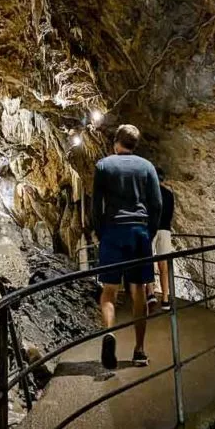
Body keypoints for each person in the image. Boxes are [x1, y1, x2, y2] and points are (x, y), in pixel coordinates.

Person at [92, 124, 162, 369]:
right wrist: (149, 232)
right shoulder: (147, 167)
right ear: (135, 144)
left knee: (109, 290)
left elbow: (96, 205)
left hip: (113, 231)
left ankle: (109, 332)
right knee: (139, 291)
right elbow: (156, 204)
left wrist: (101, 232)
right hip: (139, 232)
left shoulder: (104, 166)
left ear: (116, 142)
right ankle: (139, 351)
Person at [146, 167, 175, 312]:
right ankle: (165, 299)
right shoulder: (169, 194)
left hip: (151, 230)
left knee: (148, 261)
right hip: (165, 230)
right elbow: (170, 215)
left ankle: (151, 293)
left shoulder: (148, 194)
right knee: (163, 265)